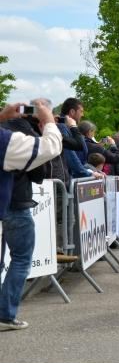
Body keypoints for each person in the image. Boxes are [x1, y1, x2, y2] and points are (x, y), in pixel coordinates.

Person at [0, 100, 63, 330]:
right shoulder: (11, 138)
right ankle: (5, 314)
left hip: (9, 202)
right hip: (16, 204)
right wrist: (48, 120)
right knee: (21, 259)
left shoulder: (5, 130)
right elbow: (50, 150)